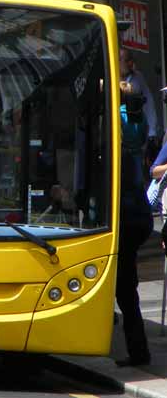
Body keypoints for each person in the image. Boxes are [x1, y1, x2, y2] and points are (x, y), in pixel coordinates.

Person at [115, 81, 152, 367]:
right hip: (141, 216)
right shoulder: (137, 126)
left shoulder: (120, 123)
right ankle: (137, 348)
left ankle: (139, 352)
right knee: (127, 288)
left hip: (125, 218)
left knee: (125, 289)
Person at [120, 48, 160, 158]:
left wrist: (152, 133)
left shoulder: (138, 77)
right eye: (125, 60)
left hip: (135, 136)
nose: (130, 63)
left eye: (130, 60)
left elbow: (149, 104)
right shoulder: (108, 78)